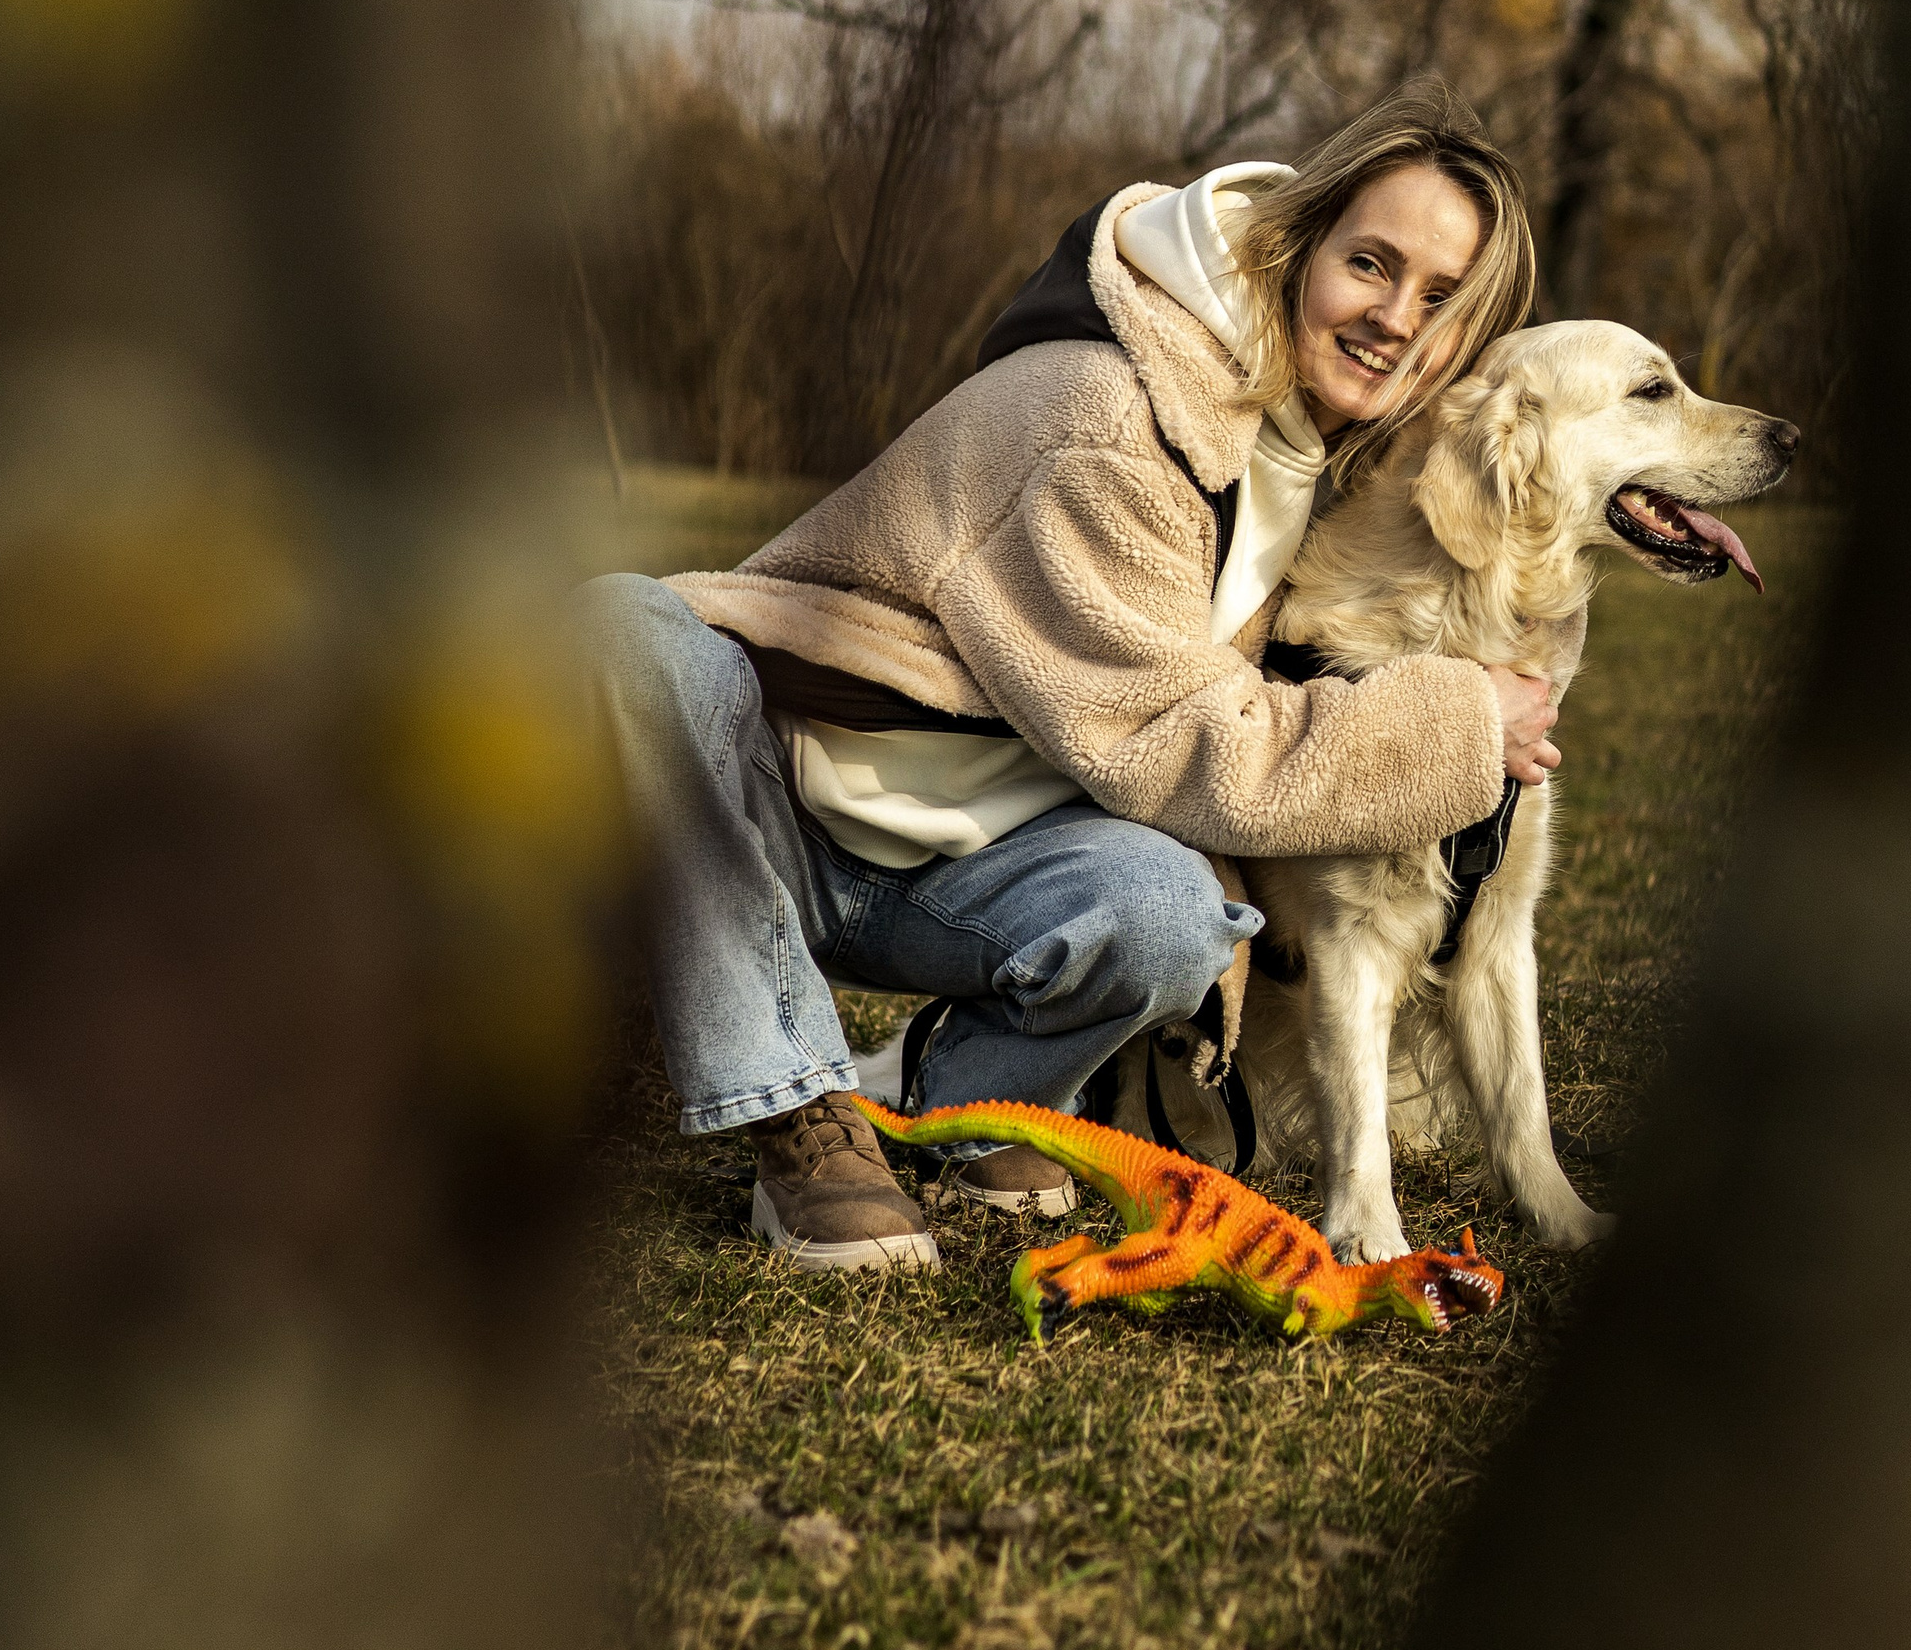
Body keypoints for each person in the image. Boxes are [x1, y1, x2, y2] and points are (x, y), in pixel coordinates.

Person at [574, 74, 1563, 1271]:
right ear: (1297, 246)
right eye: (1372, 263)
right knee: (628, 635)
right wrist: (1459, 725)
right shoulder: (1113, 416)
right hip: (778, 802)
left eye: (1442, 298)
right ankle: (797, 1118)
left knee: (1174, 912)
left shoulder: (1296, 449)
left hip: (969, 869)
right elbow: (1191, 745)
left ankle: (971, 1106)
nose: (1398, 315)